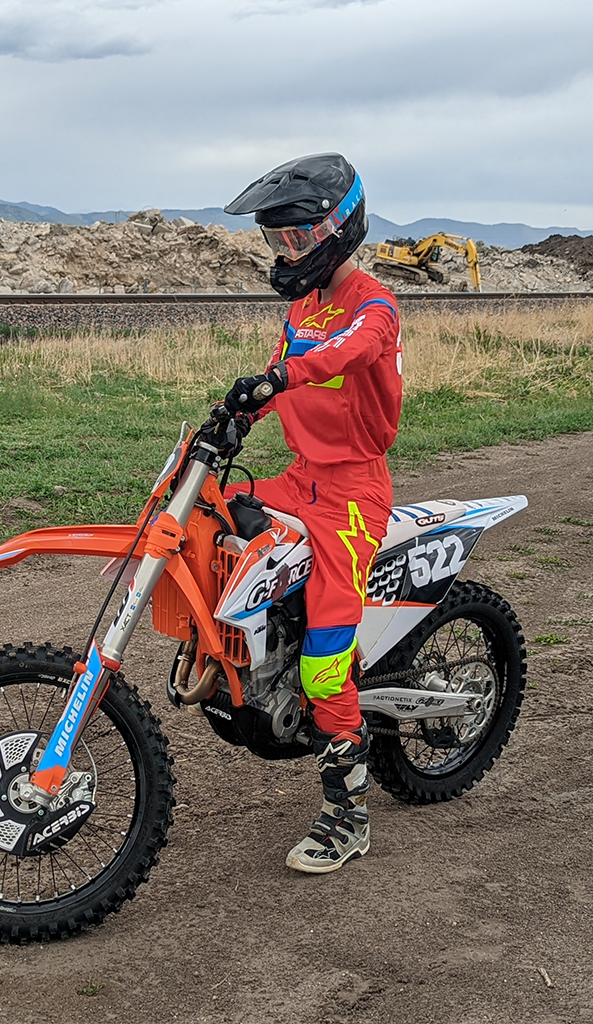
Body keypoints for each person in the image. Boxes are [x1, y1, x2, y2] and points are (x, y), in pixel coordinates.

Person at [220, 153, 403, 873]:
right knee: (220, 511)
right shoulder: (299, 308)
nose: (286, 253)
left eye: (297, 239)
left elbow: (341, 355)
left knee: (328, 670)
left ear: (338, 229)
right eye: (277, 242)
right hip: (302, 479)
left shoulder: (375, 305)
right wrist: (233, 418)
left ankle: (347, 817)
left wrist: (283, 373)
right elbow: (281, 371)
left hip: (353, 497)